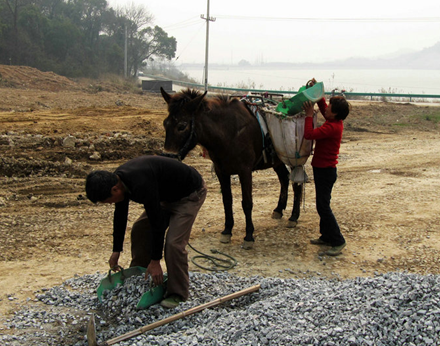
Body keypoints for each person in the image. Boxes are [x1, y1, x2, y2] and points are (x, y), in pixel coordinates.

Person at [85, 155, 207, 308]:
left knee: (173, 244)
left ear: (114, 189)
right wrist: (116, 250)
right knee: (140, 229)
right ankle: (140, 274)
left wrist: (156, 261)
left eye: (106, 201)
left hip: (189, 195)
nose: (109, 204)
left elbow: (157, 223)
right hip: (165, 196)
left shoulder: (140, 183)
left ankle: (177, 293)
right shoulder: (119, 180)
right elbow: (120, 215)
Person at [303, 78, 350, 256]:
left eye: (330, 107)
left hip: (325, 171)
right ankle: (325, 236)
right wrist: (318, 93)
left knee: (323, 207)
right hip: (323, 169)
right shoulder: (334, 121)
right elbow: (324, 109)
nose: (326, 109)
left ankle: (338, 241)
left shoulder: (332, 128)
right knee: (323, 204)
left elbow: (309, 134)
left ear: (335, 114)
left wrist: (309, 114)